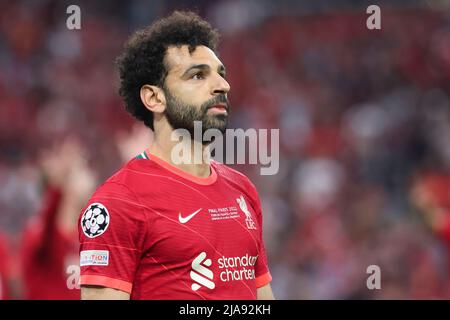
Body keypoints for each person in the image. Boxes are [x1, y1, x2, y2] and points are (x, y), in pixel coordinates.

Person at [79, 10, 274, 300]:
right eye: (197, 75)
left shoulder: (243, 190)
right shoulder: (118, 203)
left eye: (221, 74)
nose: (223, 86)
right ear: (154, 98)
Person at [21, 139, 96, 299]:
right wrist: (58, 186)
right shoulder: (38, 232)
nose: (88, 177)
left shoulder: (92, 237)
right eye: (79, 171)